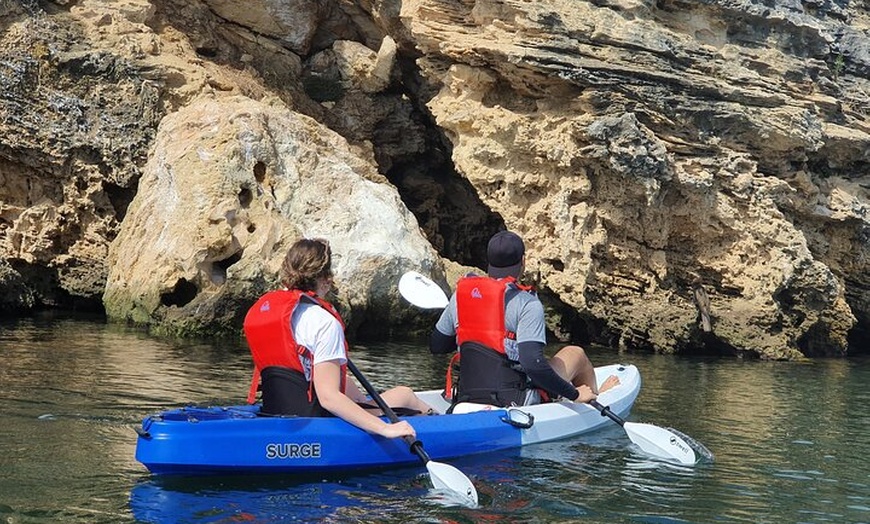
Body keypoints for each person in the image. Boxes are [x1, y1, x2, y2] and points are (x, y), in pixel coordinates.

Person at [244, 237, 433, 440]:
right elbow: (328, 398)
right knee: (405, 394)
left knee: (355, 390)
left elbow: (303, 374)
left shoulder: (272, 315)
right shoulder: (324, 323)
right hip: (316, 423)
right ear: (326, 278)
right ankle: (438, 423)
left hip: (275, 411)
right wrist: (385, 429)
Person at [429, 230, 619, 408]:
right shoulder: (527, 304)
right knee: (575, 353)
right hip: (516, 399)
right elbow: (533, 365)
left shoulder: (460, 297)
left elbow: (437, 346)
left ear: (489, 262)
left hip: (467, 395)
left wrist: (473, 335)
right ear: (523, 261)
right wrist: (574, 394)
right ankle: (592, 397)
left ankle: (582, 395)